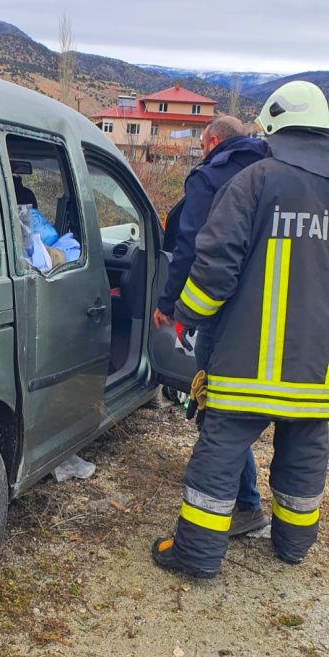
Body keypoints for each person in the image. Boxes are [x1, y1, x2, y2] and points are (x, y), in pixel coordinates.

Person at [151, 81, 329, 578]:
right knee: (304, 459)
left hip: (246, 366)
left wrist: (185, 316)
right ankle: (293, 548)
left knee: (220, 457)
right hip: (317, 373)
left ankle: (196, 557)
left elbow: (213, 268)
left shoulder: (255, 181)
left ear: (272, 125)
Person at [154, 116, 268, 536]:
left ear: (213, 141)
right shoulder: (269, 171)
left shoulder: (211, 177)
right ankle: (247, 501)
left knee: (217, 411)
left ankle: (245, 505)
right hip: (268, 315)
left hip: (219, 314)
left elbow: (190, 247)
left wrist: (171, 305)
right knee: (234, 412)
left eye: (203, 145)